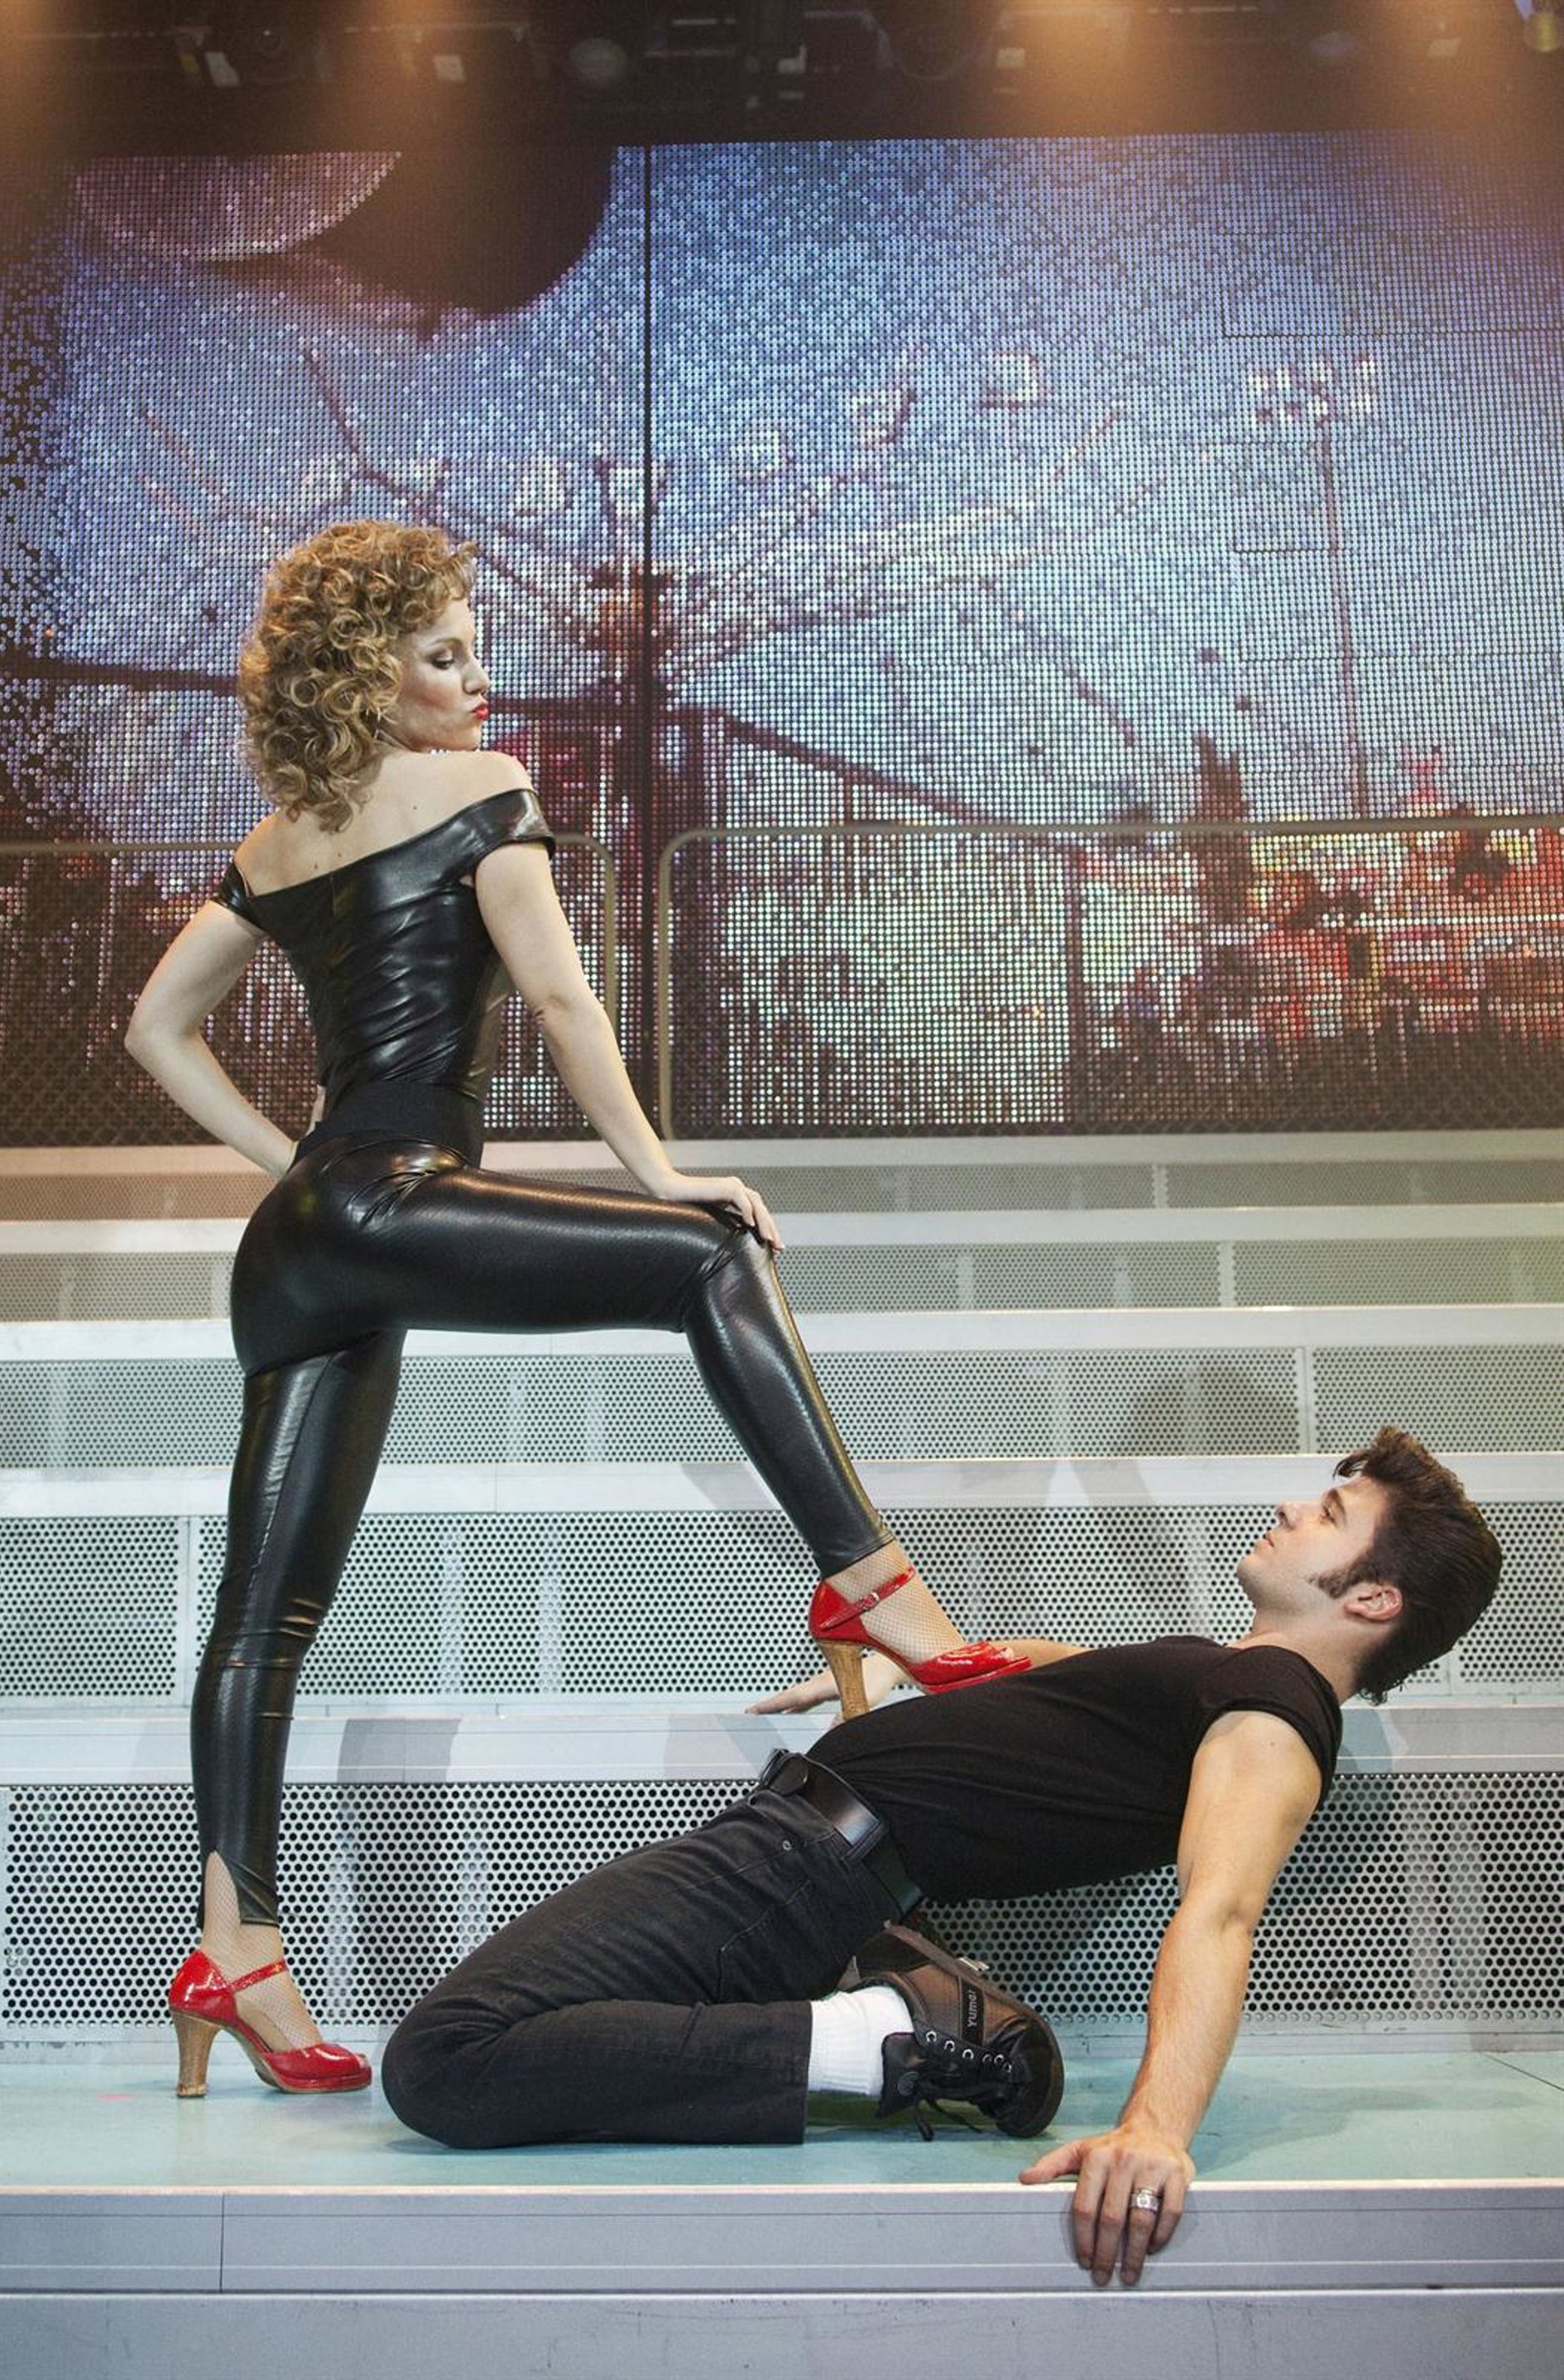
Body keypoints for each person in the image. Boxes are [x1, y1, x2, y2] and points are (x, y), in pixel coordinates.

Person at [124, 520, 1025, 2103]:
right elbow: (558, 997)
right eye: (444, 654)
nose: (479, 680)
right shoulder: (481, 793)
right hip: (381, 1201)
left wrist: (293, 1172)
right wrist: (666, 1175)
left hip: (300, 1247)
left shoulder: (279, 839)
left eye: (476, 649)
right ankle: (875, 1591)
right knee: (706, 1257)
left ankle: (231, 1951)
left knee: (259, 1625)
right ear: (370, 674)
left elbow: (154, 1028)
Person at [381, 1428, 1501, 2290]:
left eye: (1330, 1513)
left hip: (797, 1871)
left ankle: (895, 2041)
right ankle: (893, 2029)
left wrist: (1157, 2128)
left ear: (1372, 1597)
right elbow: (1071, 1686)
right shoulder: (1233, 1673)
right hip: (804, 1862)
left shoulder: (1277, 1717)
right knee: (492, 2047)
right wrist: (930, 1668)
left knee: (448, 2059)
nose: (1291, 1507)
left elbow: (1220, 1911)